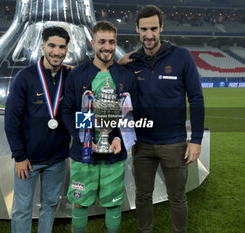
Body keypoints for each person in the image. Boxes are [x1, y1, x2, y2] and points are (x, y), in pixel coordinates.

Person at [119, 5, 205, 233]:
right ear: (137, 29)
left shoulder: (181, 56)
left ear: (161, 28)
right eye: (144, 29)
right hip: (142, 143)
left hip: (174, 143)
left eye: (154, 28)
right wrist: (117, 65)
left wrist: (196, 139)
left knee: (177, 196)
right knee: (143, 195)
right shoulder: (131, 62)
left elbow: (196, 98)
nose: (149, 34)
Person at [62, 21, 138, 233]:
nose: (107, 47)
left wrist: (117, 139)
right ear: (93, 43)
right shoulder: (78, 75)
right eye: (102, 41)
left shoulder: (126, 77)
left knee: (113, 203)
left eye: (112, 42)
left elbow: (131, 113)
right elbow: (67, 110)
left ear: (116, 44)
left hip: (114, 153)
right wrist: (84, 139)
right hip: (83, 153)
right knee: (80, 201)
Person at [4, 26, 71, 233]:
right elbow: (11, 120)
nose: (56, 51)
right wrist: (20, 156)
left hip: (57, 159)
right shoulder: (25, 77)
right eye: (52, 45)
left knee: (50, 205)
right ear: (42, 47)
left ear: (66, 50)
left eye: (61, 47)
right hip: (28, 161)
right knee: (22, 209)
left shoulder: (70, 76)